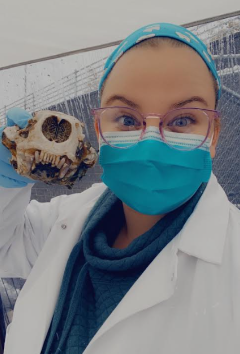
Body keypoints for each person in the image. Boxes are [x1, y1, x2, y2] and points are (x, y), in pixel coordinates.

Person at [0, 22, 239, 354]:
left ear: (213, 135)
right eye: (127, 119)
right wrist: (4, 186)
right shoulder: (67, 220)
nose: (152, 142)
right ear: (99, 130)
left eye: (182, 120)